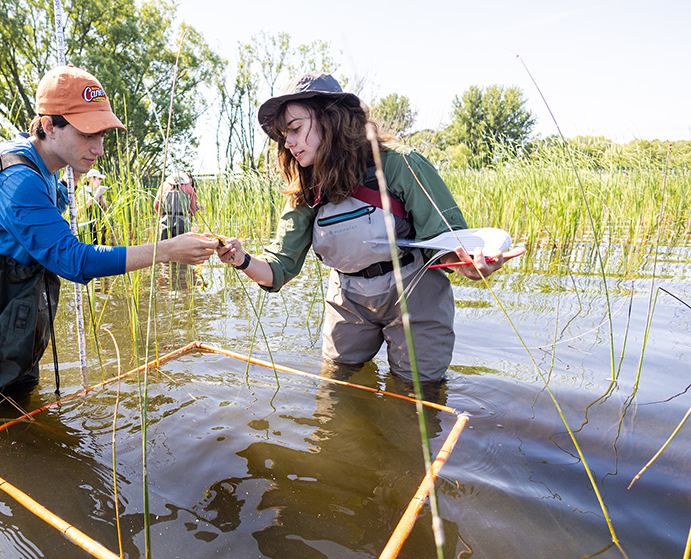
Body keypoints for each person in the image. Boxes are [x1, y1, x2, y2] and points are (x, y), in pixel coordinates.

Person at [0, 65, 218, 417]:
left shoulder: (43, 165)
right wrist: (166, 249)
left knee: (24, 417)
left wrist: (65, 177)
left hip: (9, 338)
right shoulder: (17, 178)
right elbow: (74, 261)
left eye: (102, 135)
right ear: (48, 126)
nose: (99, 148)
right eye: (88, 135)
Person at [216, 72, 508, 385]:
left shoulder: (401, 164)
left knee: (418, 393)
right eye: (283, 136)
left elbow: (448, 244)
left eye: (295, 129)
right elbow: (277, 269)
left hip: (413, 290)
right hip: (348, 298)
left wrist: (470, 267)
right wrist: (241, 259)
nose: (288, 142)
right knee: (338, 386)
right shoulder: (303, 187)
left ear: (331, 119)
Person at [153, 171, 199, 240]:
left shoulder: (163, 186)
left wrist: (162, 215)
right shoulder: (189, 187)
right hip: (182, 222)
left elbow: (156, 205)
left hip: (165, 221)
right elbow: (193, 210)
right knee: (182, 247)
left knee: (164, 246)